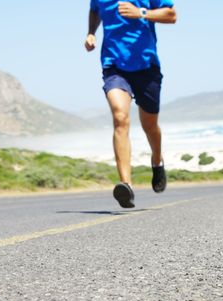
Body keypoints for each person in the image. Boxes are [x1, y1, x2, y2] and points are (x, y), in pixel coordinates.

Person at [85, 0, 177, 208]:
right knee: (120, 117)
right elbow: (94, 11)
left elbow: (171, 15)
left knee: (150, 126)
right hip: (114, 65)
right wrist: (91, 32)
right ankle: (126, 185)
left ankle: (157, 161)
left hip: (146, 66)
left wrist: (141, 13)